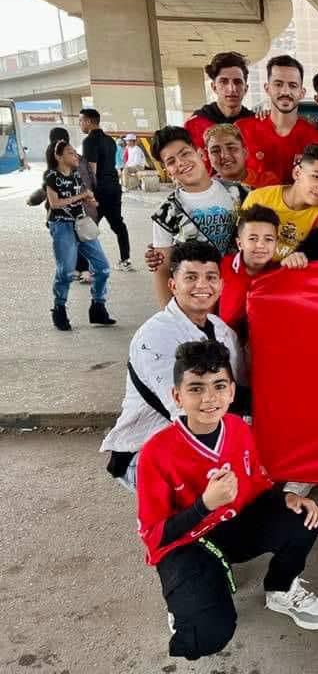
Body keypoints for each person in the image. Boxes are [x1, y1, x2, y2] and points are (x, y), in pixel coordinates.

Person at [136, 339, 318, 661]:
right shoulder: (156, 453)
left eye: (219, 386)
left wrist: (288, 497)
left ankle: (281, 589)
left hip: (233, 529)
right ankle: (188, 600)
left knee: (305, 520)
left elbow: (257, 485)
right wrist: (203, 506)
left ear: (232, 392)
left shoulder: (237, 427)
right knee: (205, 635)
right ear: (177, 396)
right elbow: (154, 537)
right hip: (187, 544)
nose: (209, 398)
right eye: (196, 388)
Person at [100, 240, 246, 489]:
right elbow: (190, 414)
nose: (202, 285)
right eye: (191, 277)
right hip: (145, 452)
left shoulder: (223, 331)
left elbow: (239, 394)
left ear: (221, 285)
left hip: (202, 439)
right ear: (172, 285)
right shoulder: (156, 335)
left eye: (211, 277)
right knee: (226, 492)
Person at [149, 126, 243, 307]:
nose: (181, 163)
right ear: (168, 171)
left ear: (200, 153)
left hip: (238, 297)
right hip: (197, 301)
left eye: (185, 153)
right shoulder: (166, 213)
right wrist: (169, 317)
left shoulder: (239, 192)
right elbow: (162, 270)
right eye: (171, 161)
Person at [44, 140, 116, 331]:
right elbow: (55, 203)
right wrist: (81, 197)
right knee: (66, 271)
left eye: (75, 152)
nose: (75, 156)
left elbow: (85, 197)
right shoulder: (52, 176)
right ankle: (59, 309)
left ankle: (98, 307)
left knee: (102, 267)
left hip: (81, 224)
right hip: (62, 225)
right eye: (70, 153)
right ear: (58, 156)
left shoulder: (76, 175)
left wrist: (91, 200)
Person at [237, 55, 318, 188]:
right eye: (278, 84)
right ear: (267, 88)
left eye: (293, 85)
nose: (285, 91)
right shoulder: (242, 130)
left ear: (302, 92)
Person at [241, 144, 318, 261]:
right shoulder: (258, 199)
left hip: (291, 270)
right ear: (297, 173)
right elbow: (241, 246)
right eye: (316, 177)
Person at [79, 107, 133, 272]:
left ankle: (85, 269)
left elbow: (91, 170)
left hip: (99, 190)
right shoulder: (110, 140)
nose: (80, 124)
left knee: (87, 227)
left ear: (89, 121)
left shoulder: (89, 141)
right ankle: (125, 260)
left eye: (81, 121)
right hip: (114, 187)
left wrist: (87, 192)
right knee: (118, 224)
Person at [183, 51, 254, 168]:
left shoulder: (256, 125)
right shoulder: (194, 125)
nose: (232, 88)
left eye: (237, 82)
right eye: (224, 82)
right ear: (214, 87)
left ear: (246, 88)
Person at [219, 205, 279, 337]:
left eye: (268, 239)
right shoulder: (220, 267)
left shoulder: (280, 272)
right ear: (239, 243)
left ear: (276, 243)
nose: (261, 245)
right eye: (253, 239)